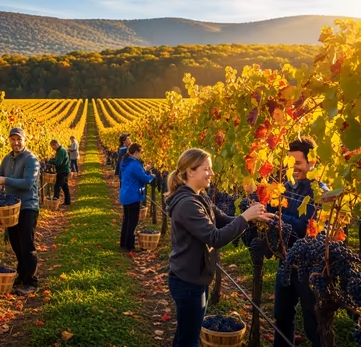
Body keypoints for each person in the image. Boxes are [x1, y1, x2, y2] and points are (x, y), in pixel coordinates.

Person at [165, 148, 273, 347]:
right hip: (188, 282)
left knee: (186, 334)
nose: (212, 174)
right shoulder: (188, 205)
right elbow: (215, 238)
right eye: (207, 169)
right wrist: (245, 217)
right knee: (189, 340)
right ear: (191, 172)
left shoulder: (200, 197)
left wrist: (252, 218)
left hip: (195, 277)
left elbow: (224, 221)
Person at [270, 138, 328, 347]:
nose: (292, 168)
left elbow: (306, 228)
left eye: (297, 163)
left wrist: (277, 219)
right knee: (282, 317)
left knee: (314, 325)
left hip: (310, 267)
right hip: (286, 261)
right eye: (290, 162)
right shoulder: (286, 187)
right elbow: (271, 210)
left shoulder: (321, 193)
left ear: (311, 162)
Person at [0, 127, 41, 295]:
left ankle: (31, 282)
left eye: (19, 139)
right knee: (16, 244)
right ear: (9, 141)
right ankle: (23, 275)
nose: (16, 142)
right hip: (10, 209)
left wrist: (5, 180)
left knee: (27, 245)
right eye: (13, 139)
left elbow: (28, 183)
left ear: (25, 140)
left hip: (27, 207)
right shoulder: (7, 159)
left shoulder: (31, 159)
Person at [119, 144, 154, 251]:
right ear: (136, 153)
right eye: (140, 152)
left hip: (125, 194)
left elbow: (135, 173)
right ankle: (130, 246)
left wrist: (144, 169)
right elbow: (145, 179)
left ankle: (123, 243)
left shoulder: (126, 162)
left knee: (126, 220)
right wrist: (152, 176)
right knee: (133, 222)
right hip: (133, 196)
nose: (141, 154)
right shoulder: (135, 164)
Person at [49, 139, 71, 206]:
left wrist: (50, 161)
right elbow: (58, 160)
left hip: (62, 171)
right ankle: (67, 201)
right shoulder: (60, 150)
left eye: (52, 147)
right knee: (64, 186)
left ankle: (55, 201)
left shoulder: (61, 151)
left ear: (55, 145)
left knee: (57, 186)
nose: (52, 149)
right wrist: (53, 159)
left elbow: (58, 162)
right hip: (64, 170)